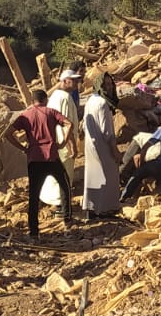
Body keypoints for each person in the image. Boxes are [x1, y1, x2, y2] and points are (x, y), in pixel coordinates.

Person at [7, 94, 72, 236]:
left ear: (32, 101)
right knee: (65, 186)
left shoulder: (25, 115)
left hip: (34, 159)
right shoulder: (51, 112)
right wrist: (63, 143)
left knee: (34, 195)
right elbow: (69, 123)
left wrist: (23, 148)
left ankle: (34, 232)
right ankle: (67, 221)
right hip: (52, 157)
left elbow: (8, 133)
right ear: (45, 100)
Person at [39, 66, 84, 210]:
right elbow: (66, 124)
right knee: (64, 174)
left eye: (78, 81)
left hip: (55, 142)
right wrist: (72, 144)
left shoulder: (55, 97)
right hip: (63, 144)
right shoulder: (64, 98)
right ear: (65, 81)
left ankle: (48, 199)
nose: (77, 83)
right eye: (73, 81)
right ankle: (60, 205)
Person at [80, 72, 121, 219]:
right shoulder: (103, 104)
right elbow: (107, 131)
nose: (109, 88)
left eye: (111, 84)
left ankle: (92, 209)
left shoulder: (91, 100)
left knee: (94, 177)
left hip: (91, 144)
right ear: (99, 86)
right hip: (103, 146)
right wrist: (115, 151)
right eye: (106, 85)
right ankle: (106, 210)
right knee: (109, 177)